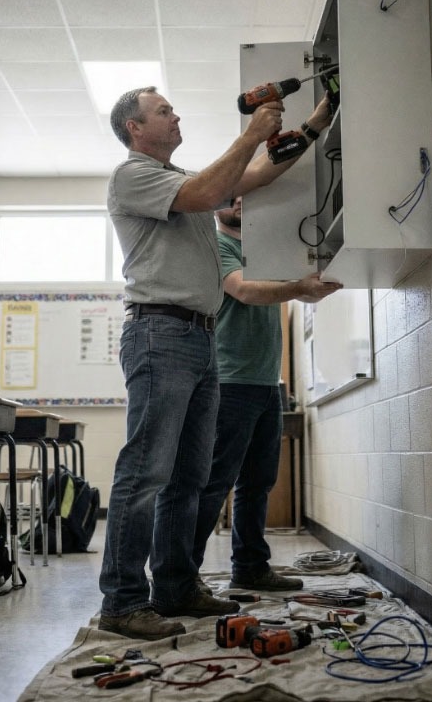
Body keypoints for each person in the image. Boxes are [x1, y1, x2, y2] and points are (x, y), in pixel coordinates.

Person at [99, 85, 331, 641]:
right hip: (160, 333)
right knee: (147, 471)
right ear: (135, 128)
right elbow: (212, 190)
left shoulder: (182, 181)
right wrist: (251, 132)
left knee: (189, 476)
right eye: (163, 111)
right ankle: (123, 602)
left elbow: (255, 175)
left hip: (198, 339)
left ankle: (175, 587)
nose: (175, 114)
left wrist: (318, 123)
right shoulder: (133, 176)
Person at [190, 197, 342, 596]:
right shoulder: (216, 246)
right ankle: (183, 576)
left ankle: (251, 568)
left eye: (245, 195)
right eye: (229, 196)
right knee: (215, 481)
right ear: (213, 206)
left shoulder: (264, 251)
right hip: (229, 380)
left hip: (266, 383)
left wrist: (321, 282)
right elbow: (242, 290)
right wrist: (296, 286)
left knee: (258, 482)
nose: (239, 201)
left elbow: (299, 292)